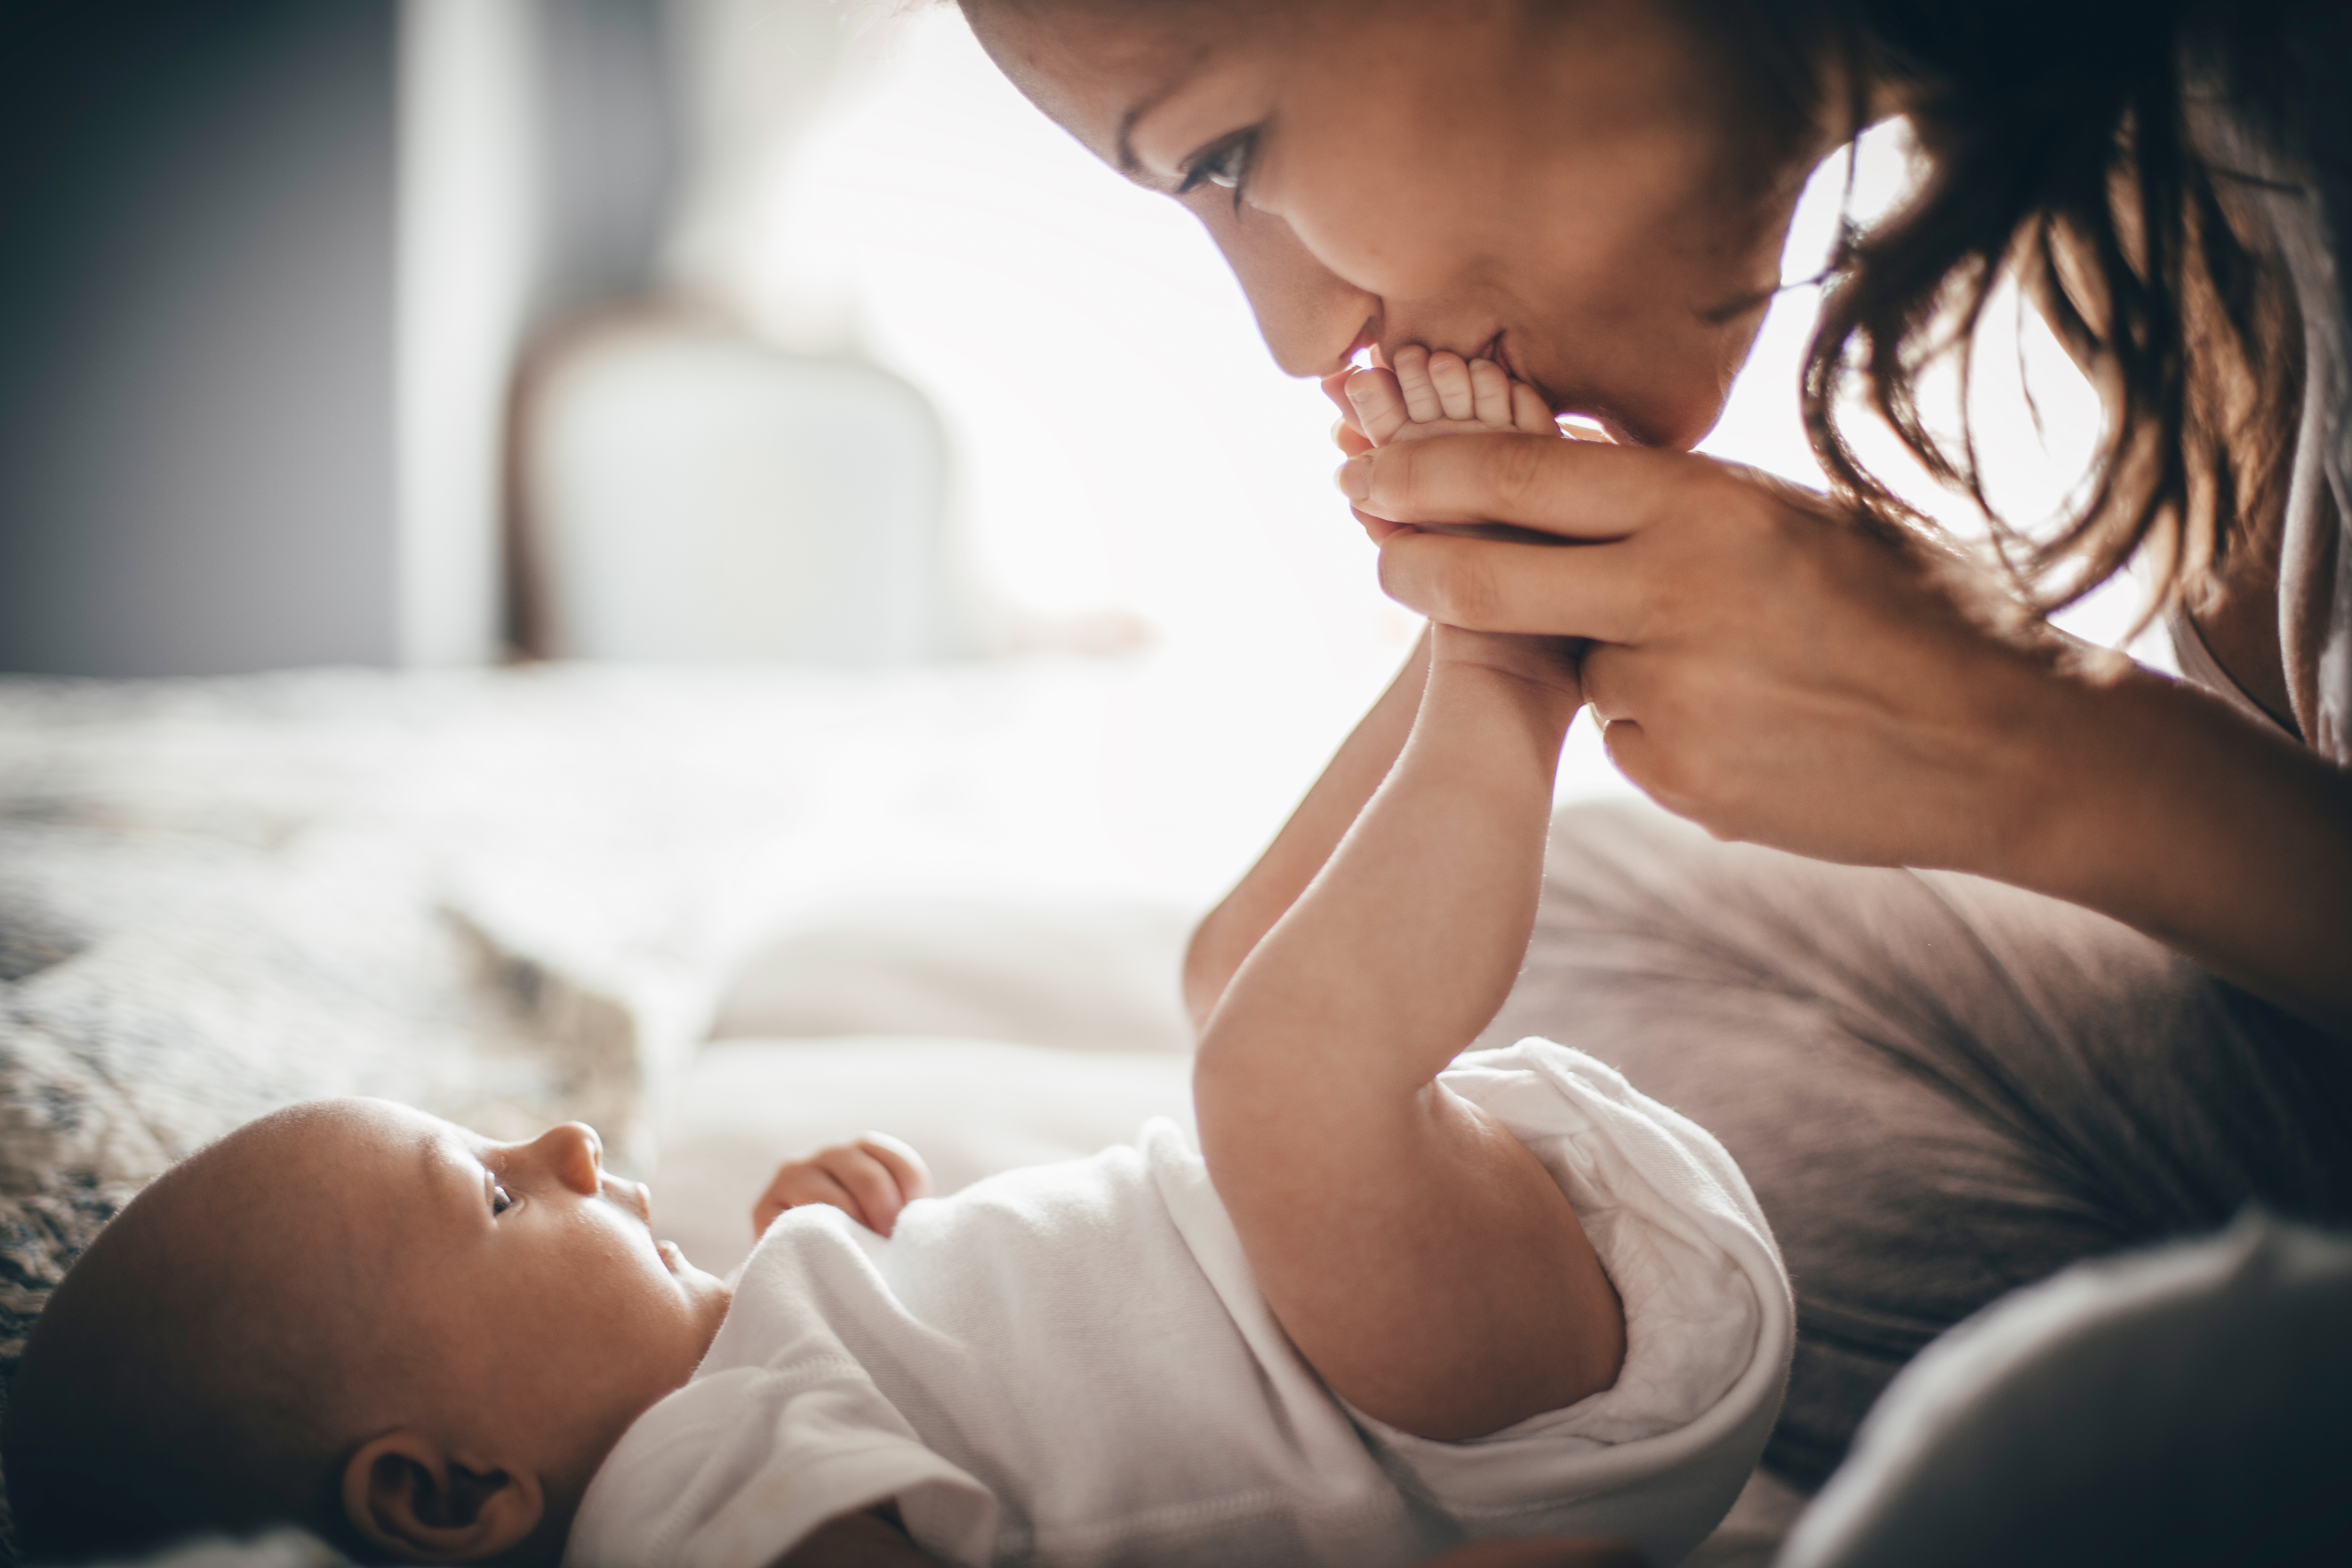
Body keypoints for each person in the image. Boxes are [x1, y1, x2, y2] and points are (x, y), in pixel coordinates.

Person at [4, 356, 1792, 1568]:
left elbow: (958, 1390)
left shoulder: (729, 1390)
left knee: (1230, 979)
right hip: (1441, 1409)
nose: (554, 1147)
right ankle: (1504, 665)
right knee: (1275, 1079)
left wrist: (823, 1241)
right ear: (449, 1493)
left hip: (1392, 1284)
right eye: (486, 1200)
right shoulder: (688, 1508)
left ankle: (1462, 630)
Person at [959, 0, 2352, 1495]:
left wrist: (2036, 748)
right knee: (1369, 971)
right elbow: (1254, 988)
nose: (1303, 335)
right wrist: (1500, 657)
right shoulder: (2168, 150)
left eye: (1228, 150)